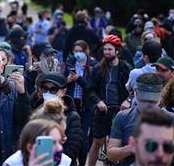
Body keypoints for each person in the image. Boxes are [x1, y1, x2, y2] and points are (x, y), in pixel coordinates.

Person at [86, 35, 132, 166]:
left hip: (120, 112)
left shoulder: (126, 68)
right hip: (102, 110)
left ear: (117, 51)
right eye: (105, 49)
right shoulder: (97, 69)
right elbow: (90, 89)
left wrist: (127, 100)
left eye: (110, 49)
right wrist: (98, 101)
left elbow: (134, 88)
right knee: (96, 142)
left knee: (118, 144)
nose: (106, 52)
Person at [107, 73, 166, 166]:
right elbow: (111, 154)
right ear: (135, 91)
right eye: (144, 98)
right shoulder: (123, 117)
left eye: (152, 99)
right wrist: (132, 148)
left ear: (160, 95)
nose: (148, 103)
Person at [30, 72, 83, 164]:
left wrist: (49, 162)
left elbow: (72, 151)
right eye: (45, 88)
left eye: (53, 89)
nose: (48, 92)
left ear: (63, 91)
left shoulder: (72, 117)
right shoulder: (35, 110)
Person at [63, 40, 97, 166]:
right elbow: (62, 83)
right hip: (71, 105)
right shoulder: (69, 64)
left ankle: (82, 162)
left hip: (85, 107)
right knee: (70, 136)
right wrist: (68, 80)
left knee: (83, 138)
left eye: (80, 51)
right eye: (75, 51)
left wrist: (79, 79)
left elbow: (92, 87)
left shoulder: (92, 66)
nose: (77, 54)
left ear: (86, 51)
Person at [3, 119, 69, 166]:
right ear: (30, 147)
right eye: (52, 143)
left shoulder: (65, 161)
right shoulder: (12, 163)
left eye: (60, 142)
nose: (60, 148)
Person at [125, 40, 162, 105]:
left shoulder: (135, 73)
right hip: (159, 110)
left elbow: (129, 89)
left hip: (138, 110)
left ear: (145, 57)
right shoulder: (166, 74)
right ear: (161, 56)